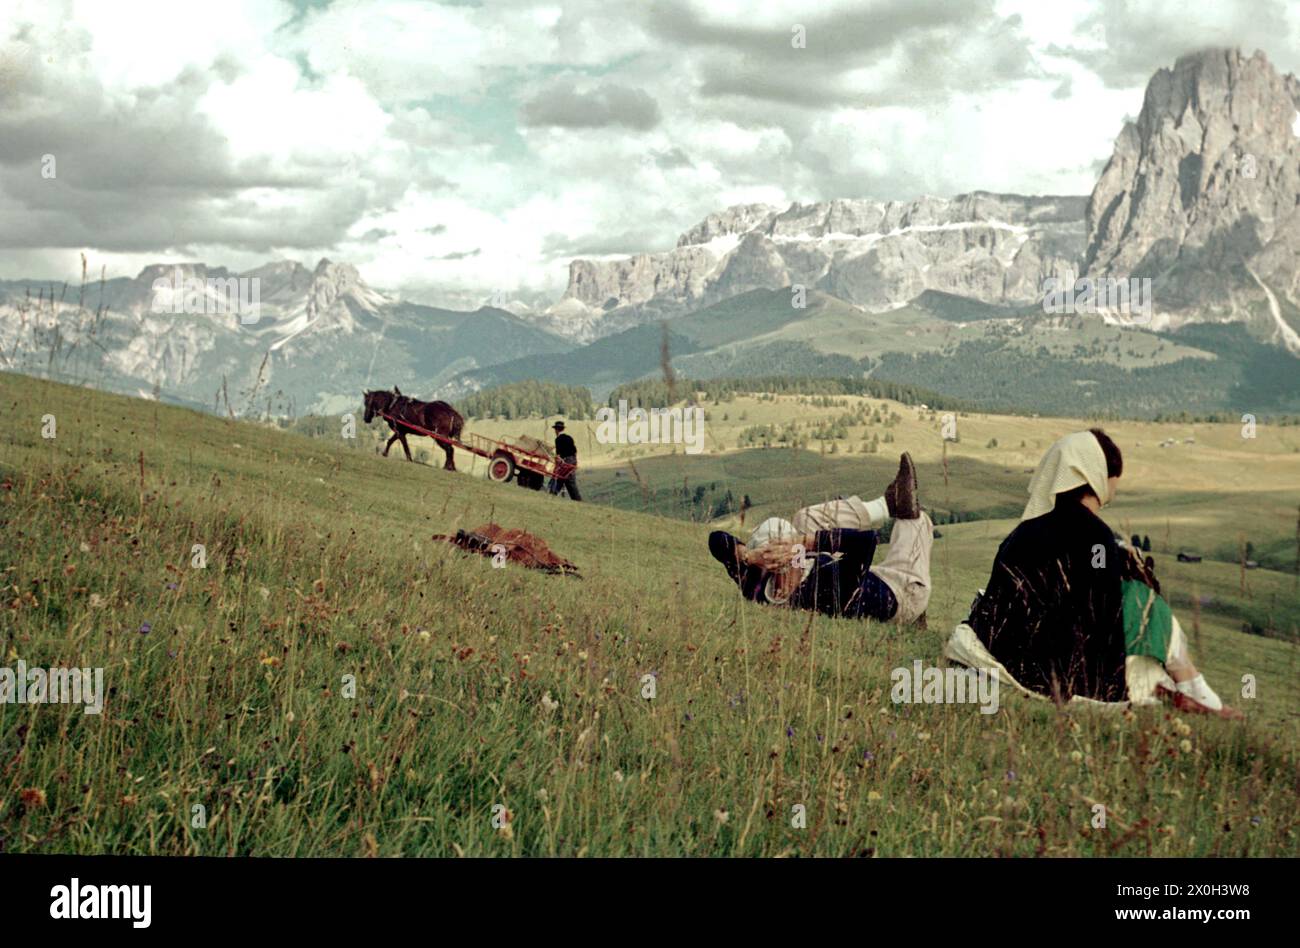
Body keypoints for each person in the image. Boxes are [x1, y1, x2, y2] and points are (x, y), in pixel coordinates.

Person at [945, 428, 1242, 717]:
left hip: (1006, 648)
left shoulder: (1023, 530)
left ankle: (1179, 687)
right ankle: (1195, 691)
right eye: (1115, 479)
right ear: (1099, 476)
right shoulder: (1097, 537)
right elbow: (1100, 611)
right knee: (1145, 601)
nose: (1115, 488)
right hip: (1057, 669)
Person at [707, 453, 933, 625]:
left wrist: (747, 555)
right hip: (900, 591)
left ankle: (884, 506)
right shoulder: (820, 587)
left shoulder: (755, 582)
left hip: (857, 571)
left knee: (803, 519)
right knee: (913, 520)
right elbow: (865, 542)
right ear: (780, 564)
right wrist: (803, 542)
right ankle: (901, 507)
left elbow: (717, 541)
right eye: (789, 552)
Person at [547, 420, 581, 501]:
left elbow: (558, 455)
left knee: (568, 481)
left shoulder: (558, 439)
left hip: (566, 461)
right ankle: (552, 495)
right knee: (563, 479)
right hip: (573, 460)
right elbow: (575, 451)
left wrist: (557, 463)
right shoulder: (569, 438)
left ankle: (578, 500)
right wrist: (574, 462)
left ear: (556, 430)